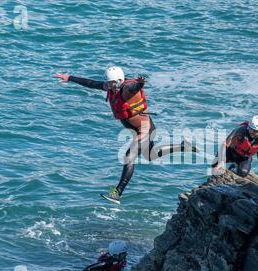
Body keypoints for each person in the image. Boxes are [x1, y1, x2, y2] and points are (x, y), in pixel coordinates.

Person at [55, 67, 198, 205]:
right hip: (138, 128)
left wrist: (140, 84)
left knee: (129, 157)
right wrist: (70, 78)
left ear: (120, 80)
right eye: (109, 83)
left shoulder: (126, 89)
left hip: (145, 129)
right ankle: (183, 146)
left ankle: (117, 194)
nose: (111, 86)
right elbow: (92, 83)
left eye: (114, 83)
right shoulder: (111, 87)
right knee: (151, 156)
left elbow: (134, 88)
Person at [213, 115, 258, 185]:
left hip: (244, 158)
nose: (251, 131)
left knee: (243, 173)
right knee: (215, 164)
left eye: (255, 131)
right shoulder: (241, 130)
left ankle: (234, 167)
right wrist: (221, 162)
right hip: (231, 152)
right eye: (250, 128)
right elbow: (225, 144)